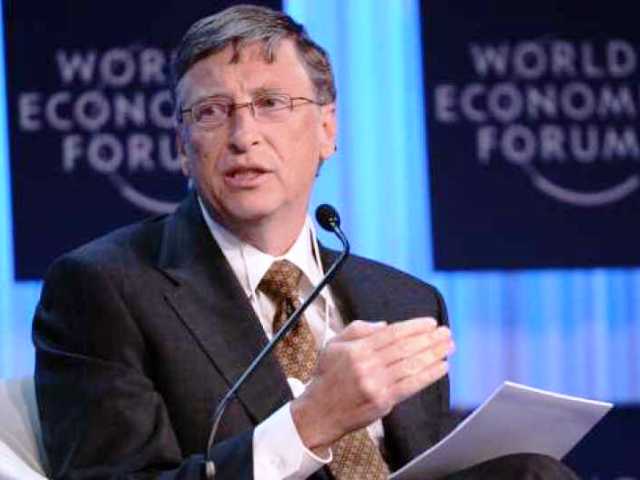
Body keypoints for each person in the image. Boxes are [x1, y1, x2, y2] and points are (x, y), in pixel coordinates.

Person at [33, 5, 579, 480]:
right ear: (182, 146)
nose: (244, 136)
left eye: (271, 103)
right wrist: (309, 423)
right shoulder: (103, 289)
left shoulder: (406, 302)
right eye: (212, 111)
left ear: (326, 129)